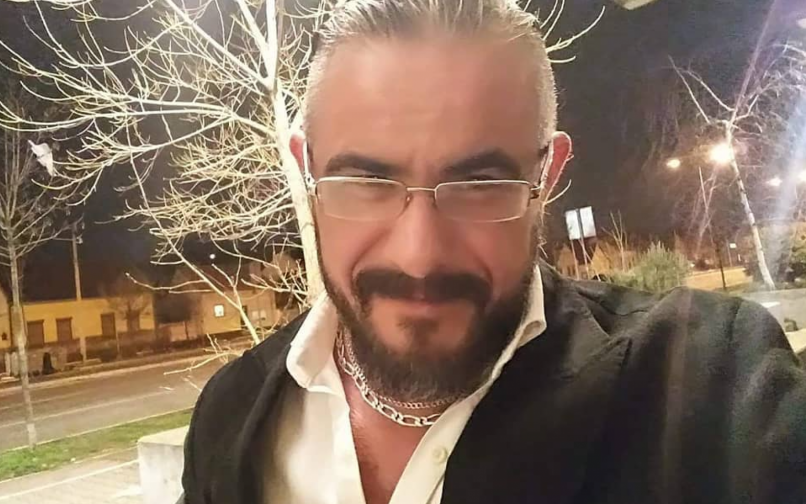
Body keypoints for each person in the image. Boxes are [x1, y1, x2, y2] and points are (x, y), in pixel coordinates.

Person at [179, 1, 806, 503]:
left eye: (480, 185)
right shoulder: (231, 414)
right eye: (366, 183)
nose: (419, 256)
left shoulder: (708, 383)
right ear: (307, 169)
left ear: (547, 175)